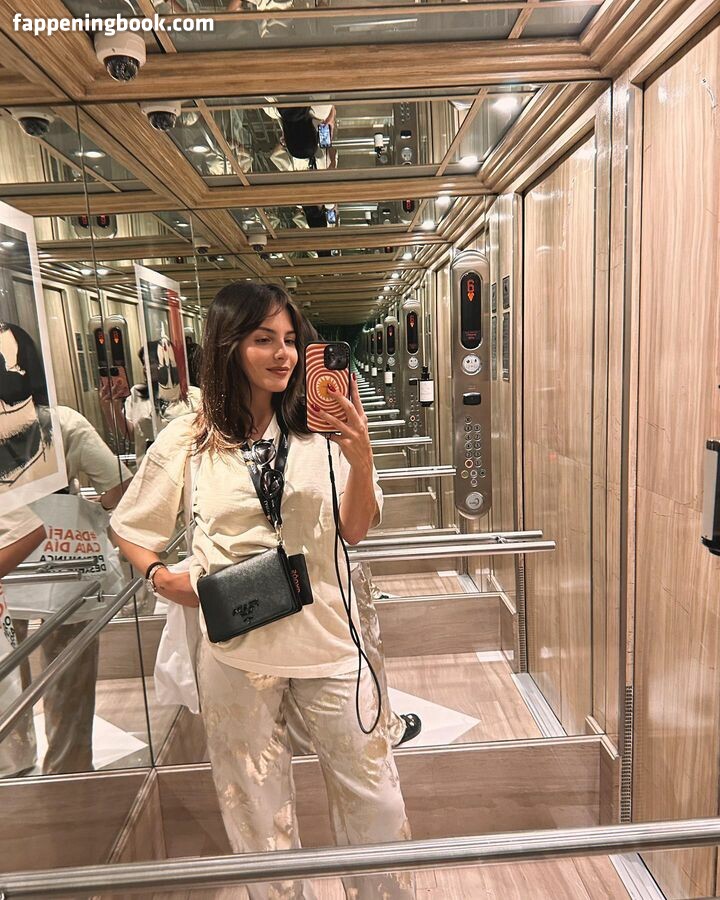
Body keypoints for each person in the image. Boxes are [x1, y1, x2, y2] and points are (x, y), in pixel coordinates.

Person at [110, 281, 415, 900]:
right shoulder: (191, 436)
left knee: (376, 799)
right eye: (263, 339)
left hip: (331, 639)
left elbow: (355, 529)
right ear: (229, 346)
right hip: (237, 649)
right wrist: (160, 578)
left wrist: (361, 457)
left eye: (291, 340)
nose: (284, 354)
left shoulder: (321, 426)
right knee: (255, 811)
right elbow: (131, 526)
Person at [3, 406, 132, 775]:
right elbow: (119, 486)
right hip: (61, 559)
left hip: (5, 558)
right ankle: (68, 772)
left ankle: (13, 765)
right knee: (69, 671)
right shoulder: (62, 420)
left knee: (5, 673)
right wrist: (95, 506)